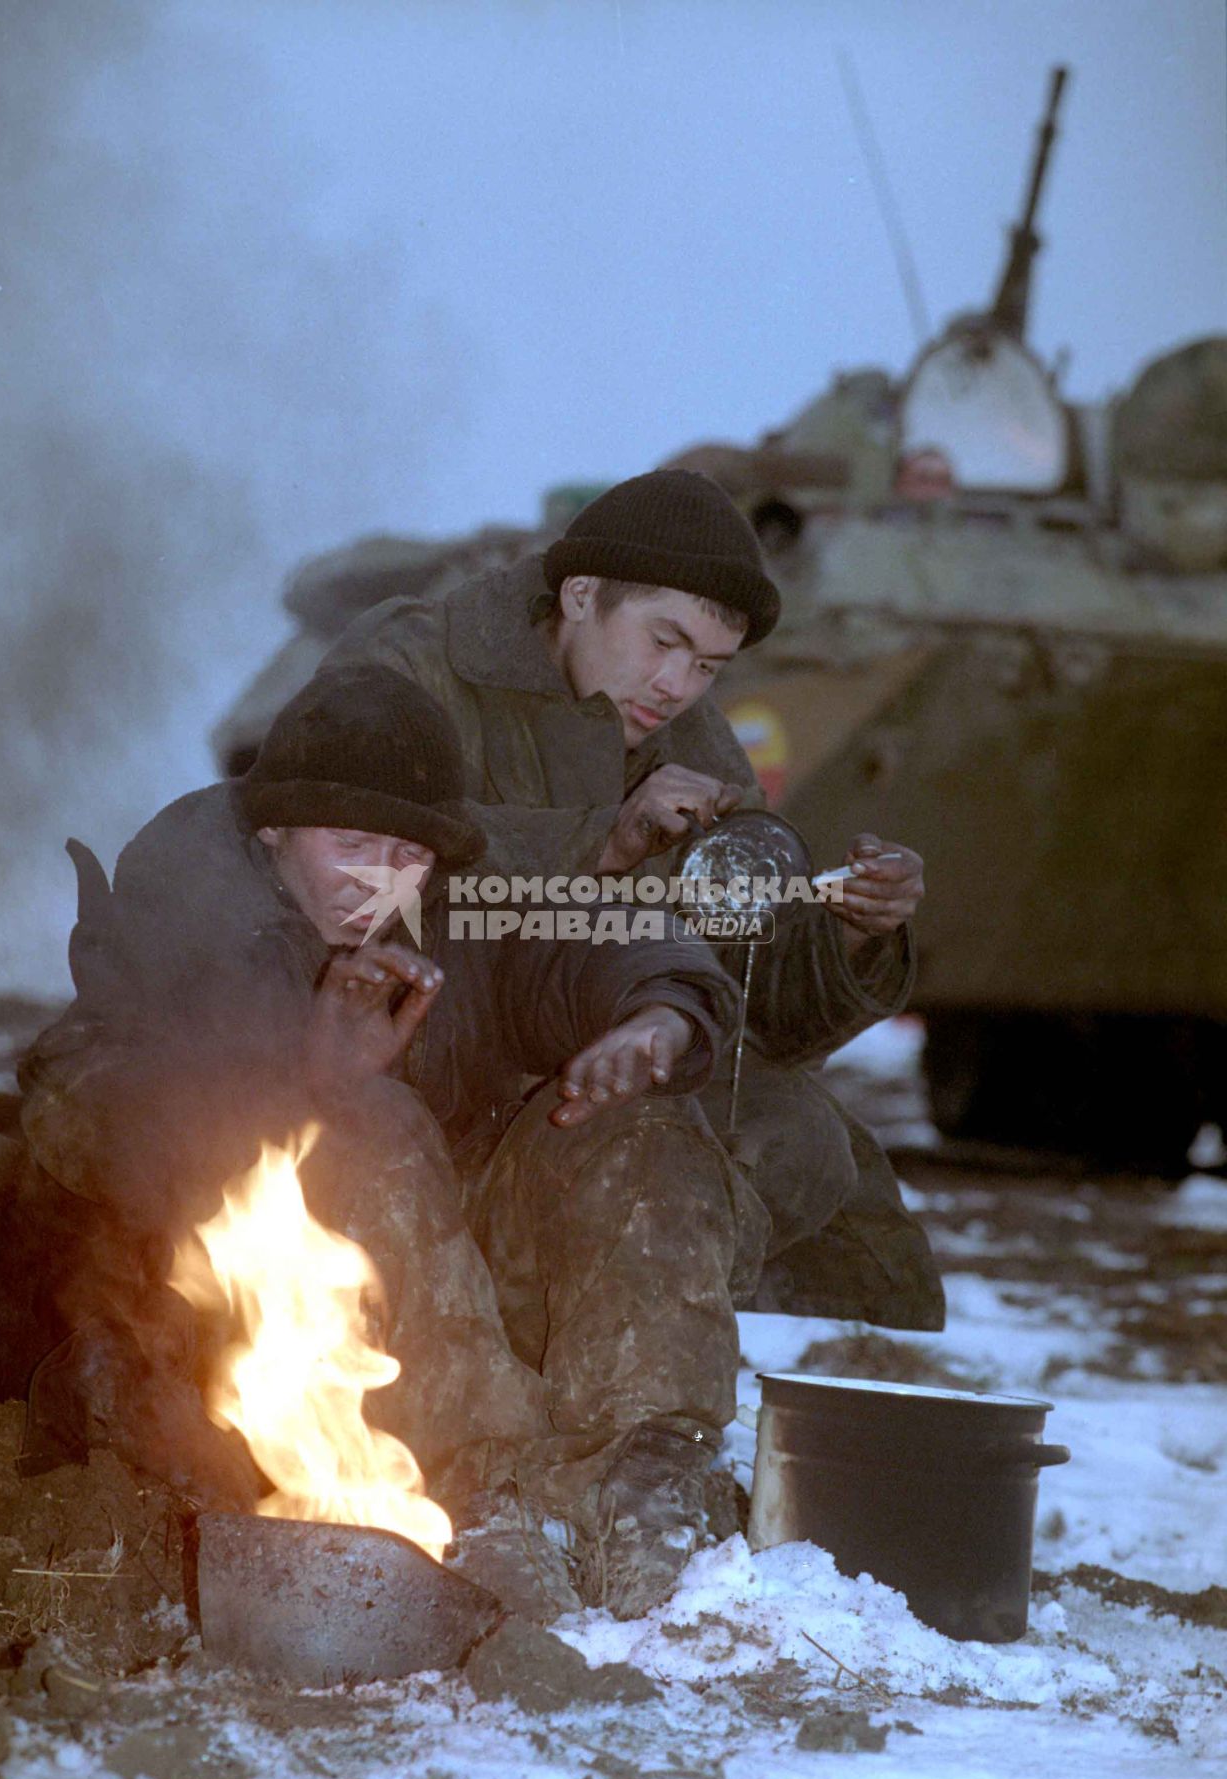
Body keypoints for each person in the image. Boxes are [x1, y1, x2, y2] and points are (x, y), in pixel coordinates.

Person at [6, 666, 761, 1617]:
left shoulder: (446, 912)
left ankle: (648, 1480)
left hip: (449, 1300)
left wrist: (662, 1014)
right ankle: (483, 1501)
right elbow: (80, 1115)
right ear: (274, 830)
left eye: (405, 851)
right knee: (366, 1121)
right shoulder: (181, 927)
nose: (378, 875)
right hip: (227, 1339)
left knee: (645, 1124)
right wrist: (299, 1084)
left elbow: (594, 940)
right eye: (350, 842)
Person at [312, 468, 943, 1331]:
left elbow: (754, 1004)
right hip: (404, 1049)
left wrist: (850, 929)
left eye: (708, 665)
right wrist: (601, 842)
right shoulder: (412, 662)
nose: (677, 684)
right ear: (580, 595)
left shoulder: (691, 740)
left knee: (800, 1134)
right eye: (663, 641)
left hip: (584, 1068)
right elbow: (337, 866)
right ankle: (489, 1324)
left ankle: (623, 1329)